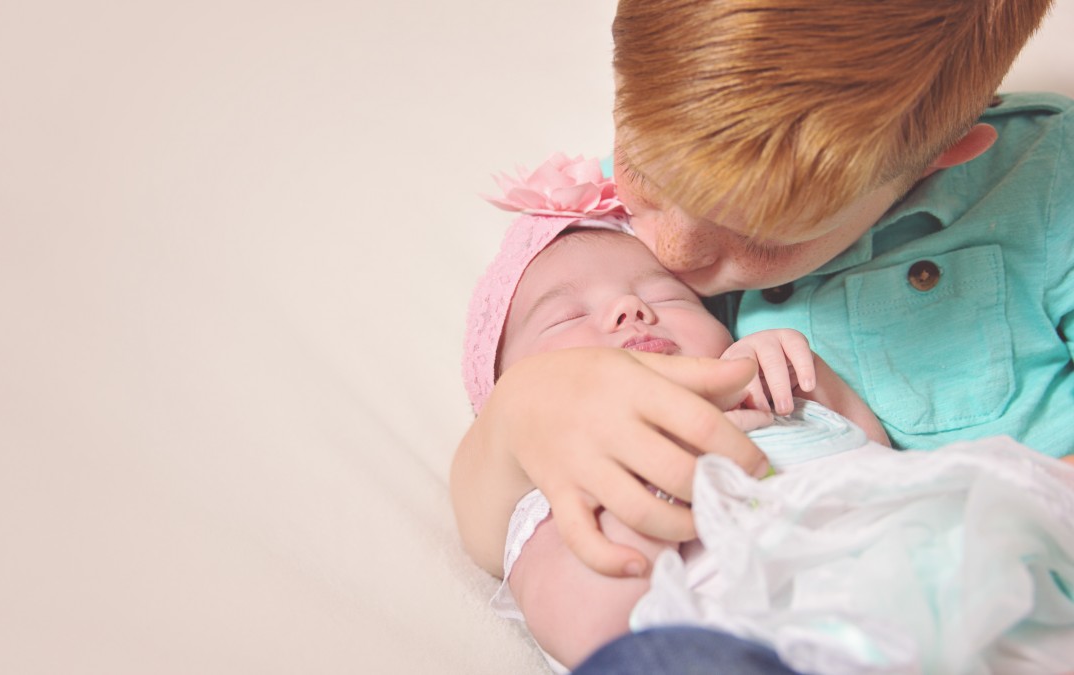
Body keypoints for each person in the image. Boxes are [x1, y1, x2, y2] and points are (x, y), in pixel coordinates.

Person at [451, 0, 1073, 593]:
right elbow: (501, 541)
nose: (672, 253)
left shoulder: (1053, 185)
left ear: (932, 161)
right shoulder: (616, 206)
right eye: (644, 173)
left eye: (760, 237)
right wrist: (517, 415)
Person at [461, 201, 1074, 673]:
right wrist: (649, 490)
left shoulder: (771, 400)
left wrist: (808, 383)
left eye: (666, 295)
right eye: (566, 316)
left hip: (943, 590)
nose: (630, 309)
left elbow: (877, 458)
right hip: (756, 645)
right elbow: (589, 631)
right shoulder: (558, 485)